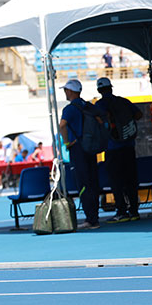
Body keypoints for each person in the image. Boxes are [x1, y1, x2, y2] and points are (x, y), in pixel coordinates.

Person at [96, 77, 143, 222]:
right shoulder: (123, 101)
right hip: (129, 147)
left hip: (112, 148)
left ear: (99, 90)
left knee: (116, 181)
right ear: (111, 88)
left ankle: (121, 211)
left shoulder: (99, 105)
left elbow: (97, 122)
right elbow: (139, 115)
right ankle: (134, 211)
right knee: (131, 179)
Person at [58, 79, 102, 229]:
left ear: (70, 91)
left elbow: (62, 125)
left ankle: (90, 218)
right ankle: (94, 215)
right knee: (93, 181)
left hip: (78, 148)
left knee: (83, 183)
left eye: (66, 90)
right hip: (90, 146)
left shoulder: (70, 109)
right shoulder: (88, 106)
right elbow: (102, 120)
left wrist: (67, 142)